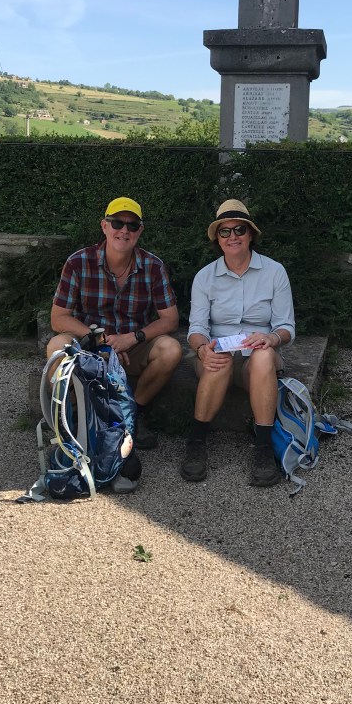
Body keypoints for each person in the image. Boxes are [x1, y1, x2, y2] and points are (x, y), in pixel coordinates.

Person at [47, 196, 182, 452]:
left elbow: (170, 319)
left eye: (132, 225)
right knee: (57, 347)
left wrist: (133, 338)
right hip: (90, 345)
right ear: (104, 226)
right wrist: (103, 341)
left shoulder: (153, 266)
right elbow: (59, 317)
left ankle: (133, 414)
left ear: (139, 231)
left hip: (133, 346)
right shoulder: (78, 262)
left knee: (171, 350)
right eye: (117, 223)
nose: (124, 230)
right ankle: (71, 416)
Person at [183, 199, 295, 487]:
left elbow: (286, 327)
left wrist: (271, 338)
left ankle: (264, 448)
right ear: (218, 239)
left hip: (257, 359)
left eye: (239, 230)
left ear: (250, 234)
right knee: (217, 357)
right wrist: (202, 349)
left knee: (264, 355)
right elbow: (197, 328)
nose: (232, 236)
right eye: (225, 231)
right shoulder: (205, 277)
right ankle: (196, 443)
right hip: (218, 355)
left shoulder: (274, 272)